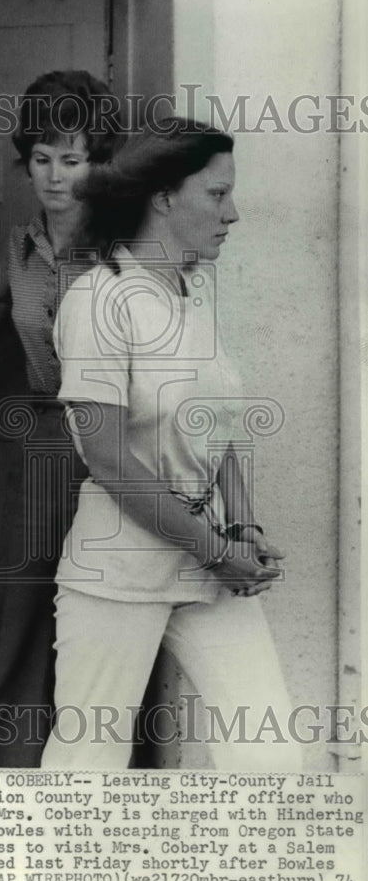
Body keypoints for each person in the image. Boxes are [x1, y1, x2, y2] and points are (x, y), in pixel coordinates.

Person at [41, 119, 302, 769]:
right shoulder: (98, 300)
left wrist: (239, 524)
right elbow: (104, 456)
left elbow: (220, 424)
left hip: (207, 561)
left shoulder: (194, 289)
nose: (232, 213)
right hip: (119, 568)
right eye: (216, 195)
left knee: (268, 759)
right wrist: (214, 549)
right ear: (161, 196)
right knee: (85, 774)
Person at [0, 71, 121, 765]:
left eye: (71, 160)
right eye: (40, 158)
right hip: (44, 447)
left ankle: (100, 800)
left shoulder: (127, 249)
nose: (53, 177)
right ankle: (11, 788)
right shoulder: (16, 248)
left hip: (116, 444)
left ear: (98, 163)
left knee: (104, 622)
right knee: (19, 616)